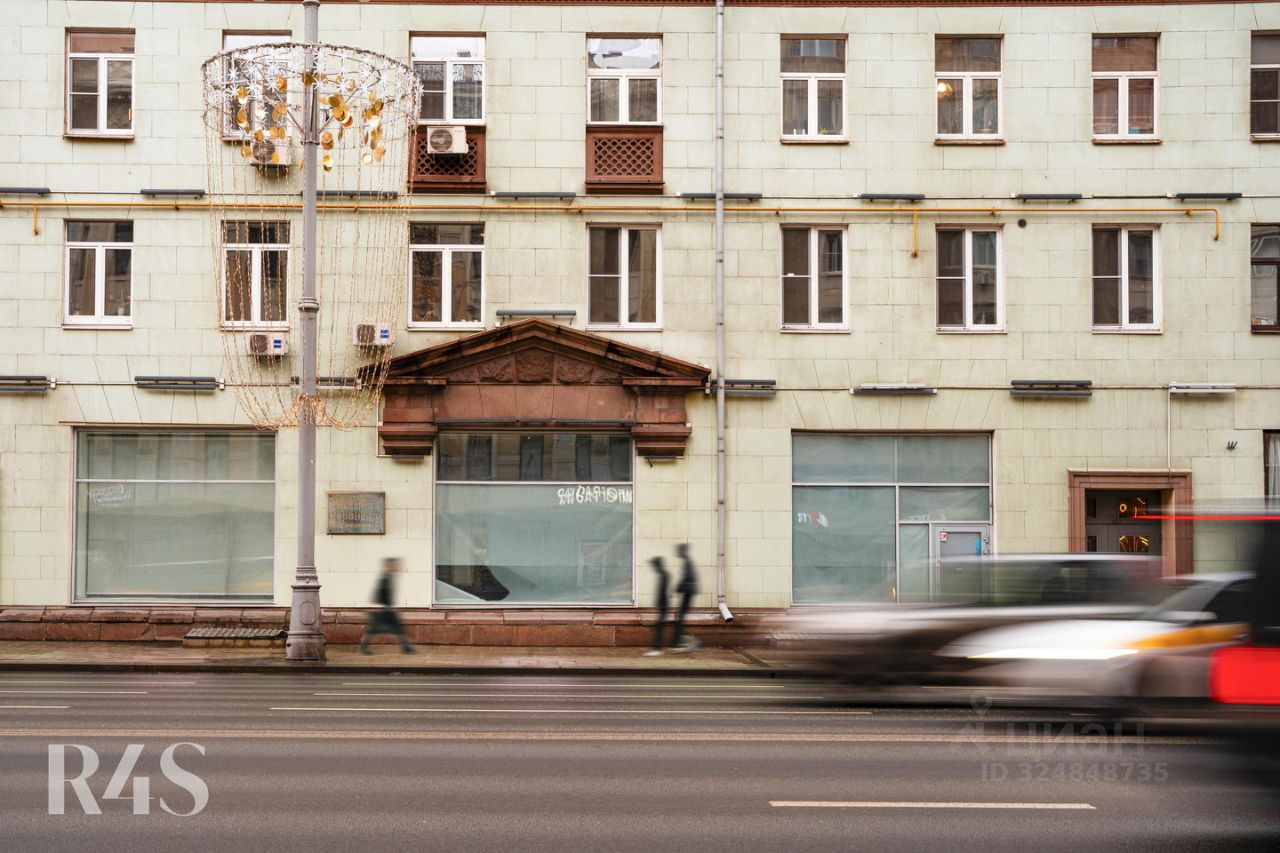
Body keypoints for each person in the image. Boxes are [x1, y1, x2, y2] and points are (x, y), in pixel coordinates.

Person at [360, 557, 415, 654]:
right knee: (375, 629)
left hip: (386, 609)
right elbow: (379, 595)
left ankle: (406, 647)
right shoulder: (385, 578)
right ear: (389, 566)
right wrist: (383, 607)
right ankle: (364, 647)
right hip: (383, 610)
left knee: (397, 628)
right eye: (395, 565)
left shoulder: (389, 577)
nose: (398, 567)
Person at [669, 543, 700, 653]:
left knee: (679, 618)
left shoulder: (687, 562)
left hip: (688, 592)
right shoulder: (687, 561)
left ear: (682, 551)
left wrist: (677, 589)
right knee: (679, 618)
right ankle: (683, 641)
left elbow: (686, 578)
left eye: (678, 550)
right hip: (688, 592)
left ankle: (681, 642)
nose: (676, 552)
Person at [643, 556, 670, 657]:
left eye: (654, 565)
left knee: (659, 627)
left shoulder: (664, 575)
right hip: (663, 605)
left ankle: (657, 649)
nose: (653, 567)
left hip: (663, 605)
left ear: (658, 565)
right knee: (659, 626)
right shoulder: (663, 574)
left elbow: (662, 592)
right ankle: (657, 648)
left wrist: (659, 603)